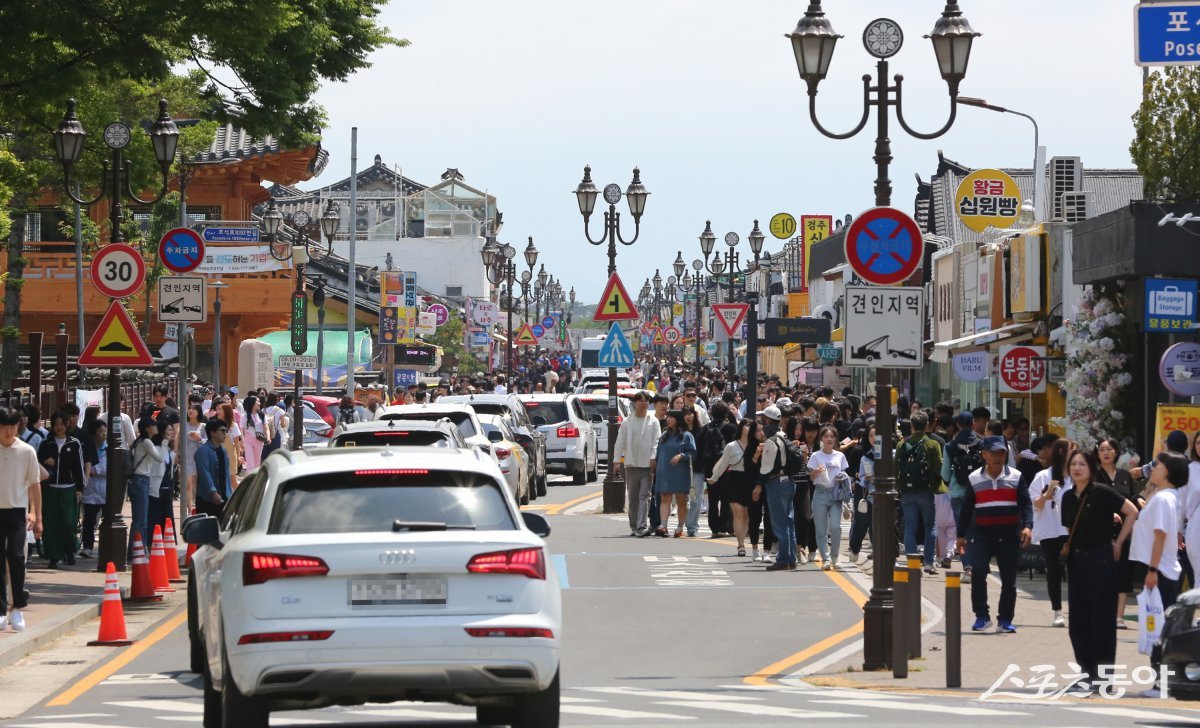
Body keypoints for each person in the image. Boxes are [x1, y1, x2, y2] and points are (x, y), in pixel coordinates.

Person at [1060, 448, 1138, 691]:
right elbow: (1068, 528)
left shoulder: (1102, 492)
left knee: (1101, 619)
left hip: (1101, 559)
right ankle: (1085, 672)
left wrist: (1120, 541)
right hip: (1076, 561)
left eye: (1082, 464)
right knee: (1078, 621)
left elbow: (1132, 512)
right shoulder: (1067, 497)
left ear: (1091, 469)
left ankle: (1103, 677)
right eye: (1073, 464)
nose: (1077, 468)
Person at [956, 435, 1033, 634]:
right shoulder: (974, 478)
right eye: (994, 453)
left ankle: (1005, 619)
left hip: (1009, 536)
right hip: (982, 535)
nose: (999, 456)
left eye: (1002, 452)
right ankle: (982, 616)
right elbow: (966, 509)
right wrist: (960, 535)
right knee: (978, 572)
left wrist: (1028, 526)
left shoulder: (1016, 476)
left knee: (1009, 580)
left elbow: (1026, 504)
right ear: (984, 454)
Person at [0, 407, 44, 632]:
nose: (8, 432)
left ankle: (17, 607)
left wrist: (37, 515)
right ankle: (0, 610)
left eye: (12, 427)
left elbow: (35, 484)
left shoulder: (27, 451)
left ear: (18, 427)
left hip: (18, 511)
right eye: (4, 427)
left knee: (16, 558)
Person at [1132, 451, 1188, 610]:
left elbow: (1160, 536)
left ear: (1168, 471)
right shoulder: (1165, 495)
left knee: (1158, 627)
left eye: (1158, 465)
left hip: (1159, 570)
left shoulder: (1163, 499)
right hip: (1160, 568)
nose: (1153, 468)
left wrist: (1152, 570)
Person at [1095, 436, 1139, 629]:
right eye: (1102, 449)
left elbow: (1134, 496)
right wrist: (1107, 513)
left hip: (1125, 531)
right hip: (1100, 531)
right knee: (1102, 574)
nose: (1106, 453)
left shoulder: (1125, 475)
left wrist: (1140, 501)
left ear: (1116, 452)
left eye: (1109, 449)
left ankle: (1119, 616)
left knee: (1123, 574)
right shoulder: (1094, 475)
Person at [1029, 438, 1072, 628]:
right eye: (1071, 451)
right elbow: (1034, 504)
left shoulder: (1076, 475)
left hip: (1071, 529)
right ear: (1062, 453)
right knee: (1054, 570)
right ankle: (1057, 611)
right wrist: (1046, 496)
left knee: (1076, 569)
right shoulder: (1042, 476)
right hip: (1050, 529)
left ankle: (1078, 609)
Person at [895, 411, 943, 574]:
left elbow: (895, 468)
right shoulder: (932, 445)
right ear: (928, 424)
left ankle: (912, 563)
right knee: (930, 525)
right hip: (926, 490)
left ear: (912, 426)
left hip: (907, 491)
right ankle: (929, 562)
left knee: (910, 526)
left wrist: (898, 487)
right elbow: (939, 468)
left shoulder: (902, 444)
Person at [37, 412, 86, 568]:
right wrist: (45, 461)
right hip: (50, 488)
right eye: (56, 424)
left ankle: (69, 551)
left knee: (67, 523)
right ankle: (53, 556)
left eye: (62, 424)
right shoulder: (46, 443)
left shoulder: (74, 443)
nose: (59, 427)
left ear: (67, 425)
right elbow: (36, 464)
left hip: (68, 488)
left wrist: (79, 488)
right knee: (50, 524)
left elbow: (79, 467)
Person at [613, 391, 661, 537]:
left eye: (646, 400)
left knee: (644, 496)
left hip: (647, 465)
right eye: (640, 400)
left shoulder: (653, 421)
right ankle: (634, 525)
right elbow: (620, 441)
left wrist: (653, 458)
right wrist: (616, 461)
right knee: (633, 497)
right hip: (631, 464)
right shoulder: (627, 421)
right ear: (635, 403)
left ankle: (641, 526)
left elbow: (656, 441)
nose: (643, 403)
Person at [709, 419, 757, 556]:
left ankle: (743, 541)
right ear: (741, 428)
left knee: (746, 514)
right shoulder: (731, 446)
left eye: (751, 426)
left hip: (750, 480)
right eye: (746, 425)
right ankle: (741, 545)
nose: (749, 428)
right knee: (738, 512)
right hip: (734, 479)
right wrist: (714, 477)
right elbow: (723, 463)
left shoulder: (756, 445)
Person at [759, 406, 798, 572]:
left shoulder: (771, 440)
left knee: (779, 523)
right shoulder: (784, 436)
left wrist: (758, 484)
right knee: (789, 521)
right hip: (789, 481)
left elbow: (765, 468)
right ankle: (791, 558)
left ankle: (783, 559)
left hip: (776, 483)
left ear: (767, 420)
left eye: (763, 419)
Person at [808, 425, 850, 570]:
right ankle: (825, 558)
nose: (829, 439)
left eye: (832, 436)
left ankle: (835, 558)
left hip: (836, 495)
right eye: (826, 436)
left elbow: (844, 475)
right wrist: (817, 472)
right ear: (822, 439)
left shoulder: (840, 456)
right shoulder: (815, 456)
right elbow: (811, 478)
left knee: (835, 527)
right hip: (820, 493)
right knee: (820, 529)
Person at [653, 410, 695, 538]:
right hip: (664, 470)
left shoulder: (687, 436)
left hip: (680, 472)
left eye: (671, 417)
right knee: (665, 497)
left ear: (678, 419)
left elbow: (692, 453)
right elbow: (658, 454)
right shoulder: (664, 435)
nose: (668, 419)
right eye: (668, 417)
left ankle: (680, 527)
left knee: (681, 500)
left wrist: (681, 455)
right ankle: (663, 525)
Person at [698, 401, 732, 537]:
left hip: (710, 468)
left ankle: (714, 527)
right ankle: (723, 526)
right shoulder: (731, 428)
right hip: (726, 469)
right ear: (726, 413)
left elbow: (699, 448)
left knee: (712, 499)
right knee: (725, 499)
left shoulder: (705, 428)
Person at [79, 420, 107, 559]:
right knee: (89, 520)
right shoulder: (86, 449)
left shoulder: (109, 449)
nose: (104, 434)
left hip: (105, 491)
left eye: (105, 431)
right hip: (90, 490)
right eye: (100, 431)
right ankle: (87, 547)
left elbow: (110, 468)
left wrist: (95, 471)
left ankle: (106, 546)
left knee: (107, 520)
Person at [194, 418, 231, 518]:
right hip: (207, 500)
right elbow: (204, 473)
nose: (225, 434)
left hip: (224, 498)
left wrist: (229, 494)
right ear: (213, 433)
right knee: (208, 531)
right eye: (222, 431)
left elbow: (226, 475)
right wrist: (213, 492)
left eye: (226, 431)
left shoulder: (223, 451)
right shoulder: (203, 451)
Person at [148, 422, 176, 539]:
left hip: (166, 489)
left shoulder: (166, 448)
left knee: (166, 518)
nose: (172, 433)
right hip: (156, 488)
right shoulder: (157, 449)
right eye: (169, 430)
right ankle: (153, 544)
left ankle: (167, 543)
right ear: (162, 432)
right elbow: (156, 468)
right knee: (155, 518)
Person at [681, 407, 706, 537]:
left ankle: (692, 526)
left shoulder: (701, 431)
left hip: (698, 469)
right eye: (685, 414)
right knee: (683, 498)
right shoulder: (679, 432)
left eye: (690, 414)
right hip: (682, 468)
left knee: (696, 499)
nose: (687, 417)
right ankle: (683, 524)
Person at [241, 395, 269, 471]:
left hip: (259, 440)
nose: (259, 403)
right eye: (258, 401)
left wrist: (268, 437)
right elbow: (242, 429)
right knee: (250, 462)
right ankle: (250, 480)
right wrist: (242, 442)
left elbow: (266, 427)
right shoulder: (245, 416)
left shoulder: (262, 415)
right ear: (252, 403)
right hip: (248, 440)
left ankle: (256, 480)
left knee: (257, 462)